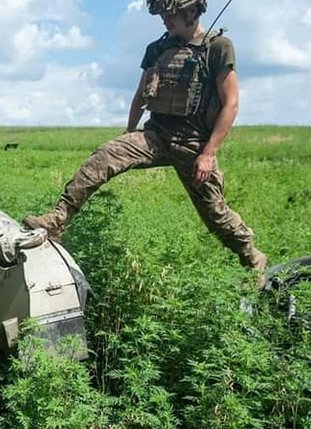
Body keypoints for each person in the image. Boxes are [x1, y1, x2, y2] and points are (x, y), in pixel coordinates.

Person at [23, 0, 267, 276]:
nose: (164, 19)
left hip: (193, 144)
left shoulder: (218, 47)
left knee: (215, 214)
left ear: (191, 12)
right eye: (161, 13)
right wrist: (127, 136)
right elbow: (140, 96)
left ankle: (252, 257)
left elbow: (230, 103)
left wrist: (208, 154)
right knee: (104, 156)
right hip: (156, 136)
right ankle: (57, 220)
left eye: (170, 13)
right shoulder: (157, 49)